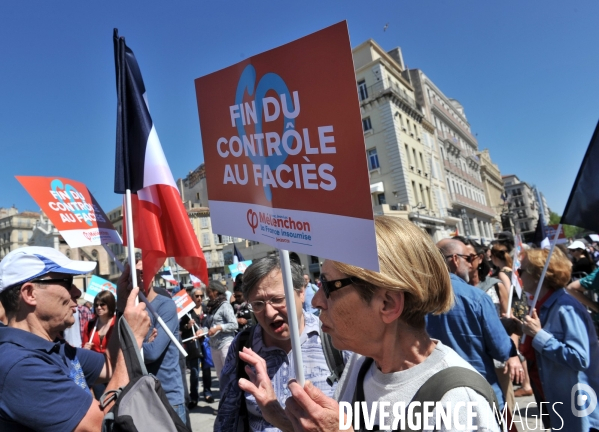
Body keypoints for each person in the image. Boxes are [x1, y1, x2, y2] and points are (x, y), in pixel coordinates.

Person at [242, 217, 503, 431]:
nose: (318, 300)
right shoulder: (360, 364)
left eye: (330, 286)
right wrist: (277, 414)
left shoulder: (458, 400)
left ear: (387, 303)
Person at [0, 246, 150, 431]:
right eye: (67, 282)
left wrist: (121, 306)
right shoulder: (19, 365)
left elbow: (110, 365)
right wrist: (133, 336)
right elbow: (100, 424)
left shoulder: (54, 347)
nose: (77, 292)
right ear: (30, 293)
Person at [215, 256, 338, 432]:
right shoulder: (244, 345)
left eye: (278, 299)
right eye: (258, 304)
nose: (270, 312)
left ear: (301, 292)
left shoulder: (334, 338)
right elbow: (227, 419)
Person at [427, 239, 522, 411]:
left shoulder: (418, 298)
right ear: (455, 260)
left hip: (438, 398)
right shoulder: (476, 298)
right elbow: (501, 350)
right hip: (480, 392)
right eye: (468, 259)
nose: (471, 265)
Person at [519, 247, 599, 431]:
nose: (518, 275)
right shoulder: (544, 305)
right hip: (555, 399)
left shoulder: (566, 308)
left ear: (538, 275)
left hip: (577, 405)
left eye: (521, 270)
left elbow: (580, 358)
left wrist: (539, 336)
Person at [141, 272, 187, 423]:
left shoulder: (164, 305)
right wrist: (144, 342)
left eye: (142, 273)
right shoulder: (130, 311)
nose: (138, 277)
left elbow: (152, 353)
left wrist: (137, 343)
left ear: (152, 275)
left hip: (168, 397)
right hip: (141, 397)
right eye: (132, 273)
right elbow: (119, 353)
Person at [179, 287, 214, 407]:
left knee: (207, 369)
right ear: (192, 297)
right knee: (194, 371)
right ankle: (193, 397)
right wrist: (188, 326)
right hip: (193, 345)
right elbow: (181, 329)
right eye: (197, 296)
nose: (199, 298)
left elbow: (211, 324)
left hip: (206, 343)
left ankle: (207, 393)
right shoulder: (187, 312)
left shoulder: (206, 309)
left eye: (201, 296)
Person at [83, 290, 117, 399]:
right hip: (98, 369)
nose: (98, 307)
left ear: (110, 304)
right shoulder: (90, 325)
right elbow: (84, 348)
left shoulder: (117, 323)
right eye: (96, 305)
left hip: (114, 368)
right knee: (101, 401)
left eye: (102, 304)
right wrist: (85, 349)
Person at [205, 280, 238, 379]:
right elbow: (208, 324)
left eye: (209, 292)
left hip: (225, 344)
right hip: (214, 346)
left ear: (216, 291)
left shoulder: (225, 306)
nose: (208, 295)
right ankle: (224, 394)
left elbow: (234, 324)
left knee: (230, 373)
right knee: (220, 376)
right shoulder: (211, 307)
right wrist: (202, 330)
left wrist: (219, 327)